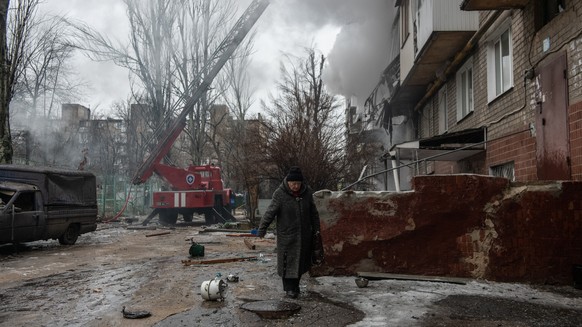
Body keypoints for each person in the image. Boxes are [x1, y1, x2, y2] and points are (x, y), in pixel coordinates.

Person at [257, 166, 324, 299]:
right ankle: (289, 289)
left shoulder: (307, 193)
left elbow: (313, 213)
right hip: (287, 235)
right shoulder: (280, 194)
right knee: (287, 263)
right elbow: (270, 212)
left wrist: (316, 230)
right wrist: (262, 228)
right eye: (293, 183)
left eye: (298, 183)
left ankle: (296, 286)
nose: (295, 186)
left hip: (304, 235)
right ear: (288, 182)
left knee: (300, 263)